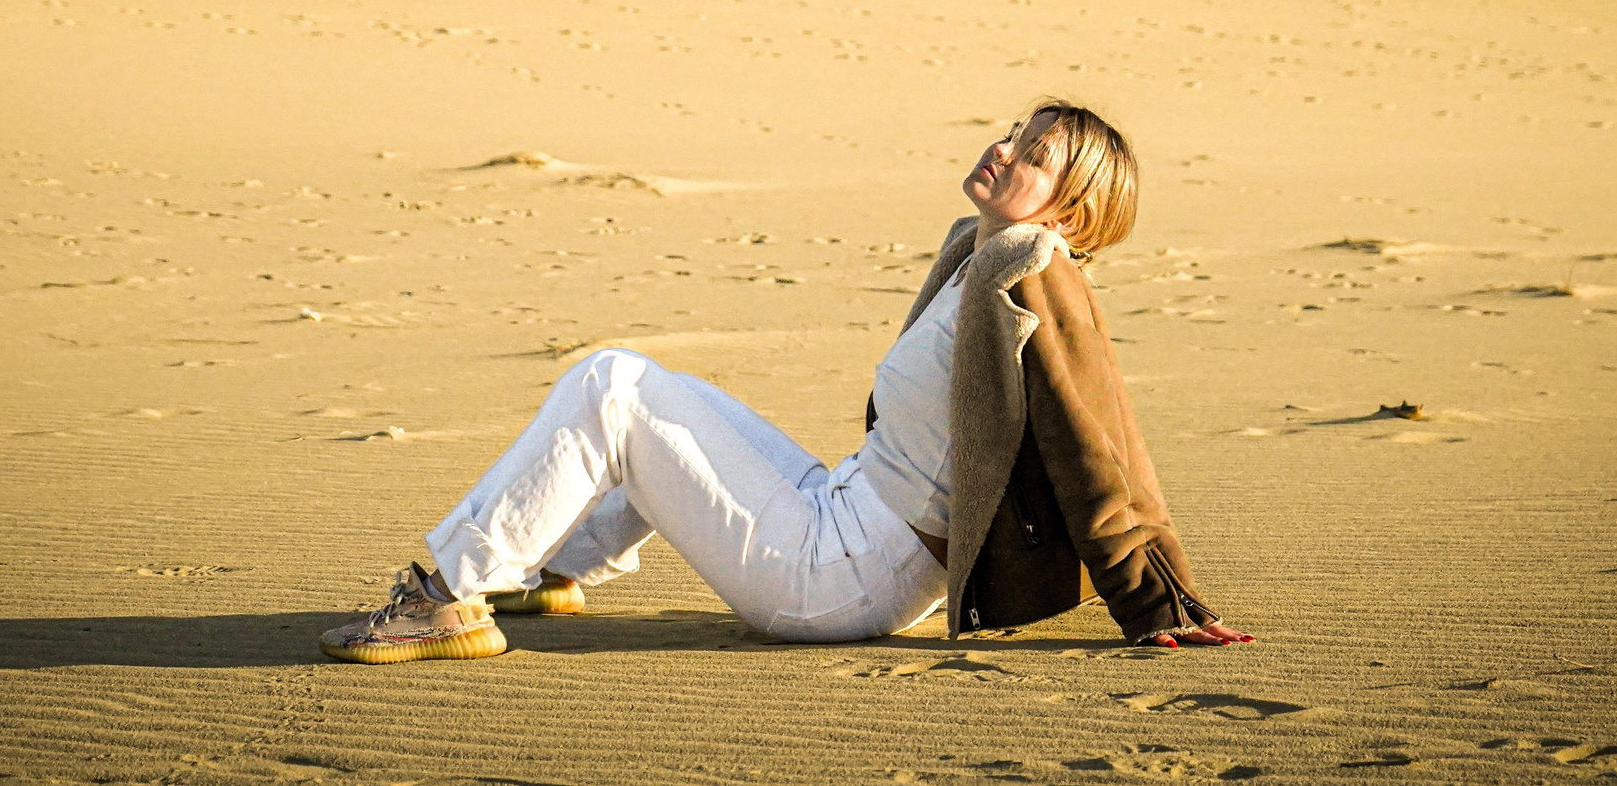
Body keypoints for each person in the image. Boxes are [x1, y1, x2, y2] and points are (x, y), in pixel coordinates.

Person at [321, 99, 1251, 663]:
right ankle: (555, 563)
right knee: (655, 392)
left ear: (1074, 208)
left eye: (1035, 154)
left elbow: (1098, 442)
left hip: (840, 574)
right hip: (845, 513)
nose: (1004, 148)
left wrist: (1156, 600)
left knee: (612, 386)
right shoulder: (985, 249)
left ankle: (446, 596)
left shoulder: (1039, 271)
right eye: (1016, 131)